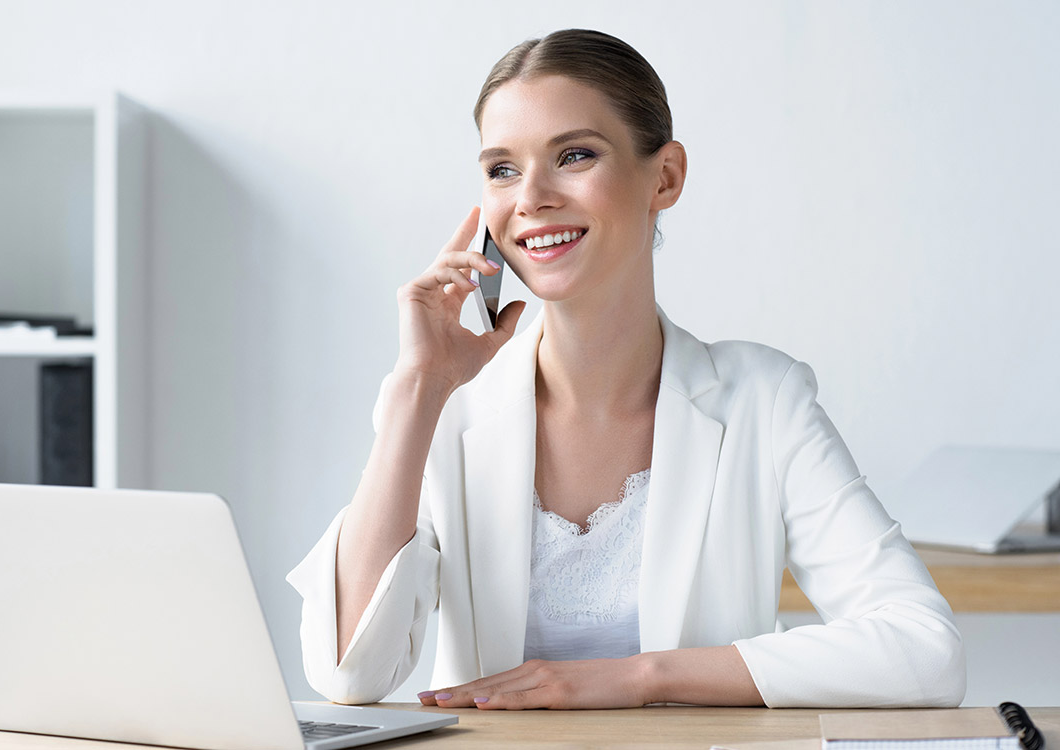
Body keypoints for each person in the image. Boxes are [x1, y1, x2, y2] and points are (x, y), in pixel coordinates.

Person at [287, 28, 965, 710]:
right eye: (502, 169)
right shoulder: (446, 404)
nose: (531, 197)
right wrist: (416, 390)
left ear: (664, 177)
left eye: (574, 155)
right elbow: (349, 674)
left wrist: (640, 677)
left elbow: (924, 650)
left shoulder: (765, 402)